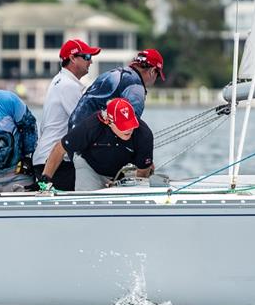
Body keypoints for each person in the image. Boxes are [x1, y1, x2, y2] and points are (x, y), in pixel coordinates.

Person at [40, 98, 154, 191]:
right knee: (87, 201)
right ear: (108, 121)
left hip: (122, 170)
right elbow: (60, 148)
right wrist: (45, 180)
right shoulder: (91, 126)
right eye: (123, 125)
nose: (129, 129)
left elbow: (143, 172)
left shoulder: (144, 134)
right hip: (90, 166)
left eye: (131, 123)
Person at [32, 39, 101, 191]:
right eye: (87, 57)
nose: (91, 62)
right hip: (54, 163)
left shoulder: (59, 80)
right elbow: (86, 124)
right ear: (72, 58)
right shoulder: (68, 86)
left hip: (46, 158)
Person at [67, 49, 165, 129]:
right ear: (152, 71)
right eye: (158, 75)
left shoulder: (112, 73)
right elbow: (130, 127)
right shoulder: (136, 88)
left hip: (74, 133)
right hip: (91, 140)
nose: (156, 79)